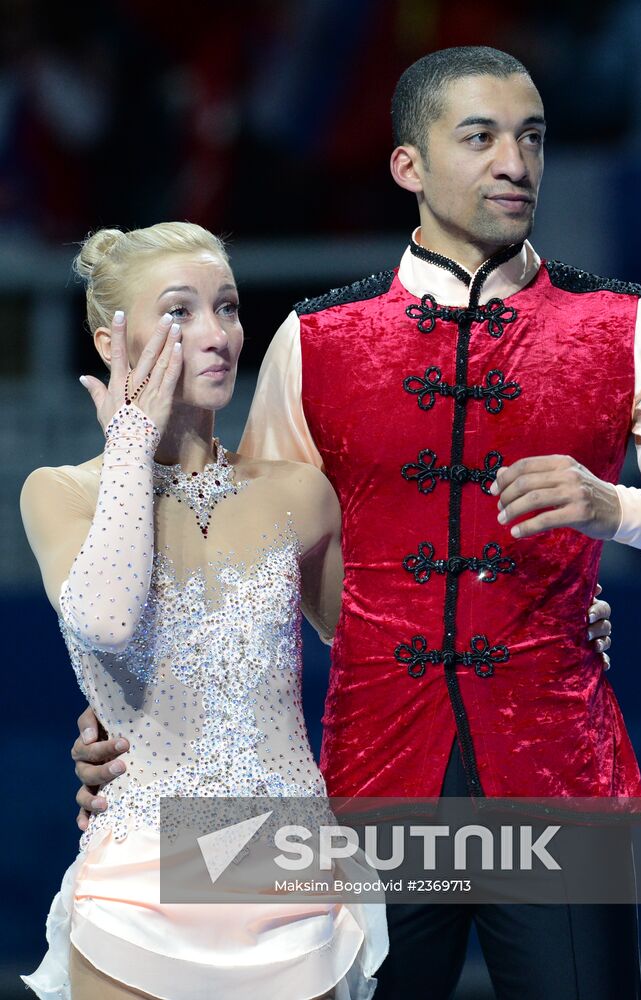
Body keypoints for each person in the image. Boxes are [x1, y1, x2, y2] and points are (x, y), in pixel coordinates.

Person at [70, 46, 641, 1000]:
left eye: (532, 137)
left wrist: (621, 509)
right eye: (482, 136)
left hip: (555, 781)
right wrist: (130, 712)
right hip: (366, 787)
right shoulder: (316, 340)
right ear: (408, 164)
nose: (516, 162)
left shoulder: (625, 325)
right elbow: (239, 577)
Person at [20, 222, 388, 999]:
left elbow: (392, 652)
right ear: (109, 343)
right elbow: (110, 620)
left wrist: (553, 622)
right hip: (140, 884)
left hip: (290, 884)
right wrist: (128, 444)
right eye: (181, 313)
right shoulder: (61, 494)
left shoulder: (298, 494)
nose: (218, 334)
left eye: (227, 306)